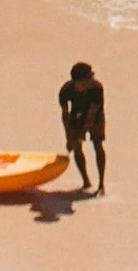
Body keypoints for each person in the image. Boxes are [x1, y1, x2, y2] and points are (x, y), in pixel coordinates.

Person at [58, 61, 106, 194]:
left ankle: (101, 183)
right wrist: (69, 138)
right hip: (77, 113)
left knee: (98, 144)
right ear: (76, 82)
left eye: (92, 76)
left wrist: (81, 134)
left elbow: (91, 115)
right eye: (88, 78)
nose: (92, 80)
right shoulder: (65, 91)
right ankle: (86, 180)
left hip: (95, 115)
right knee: (76, 147)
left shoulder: (96, 88)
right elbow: (65, 116)